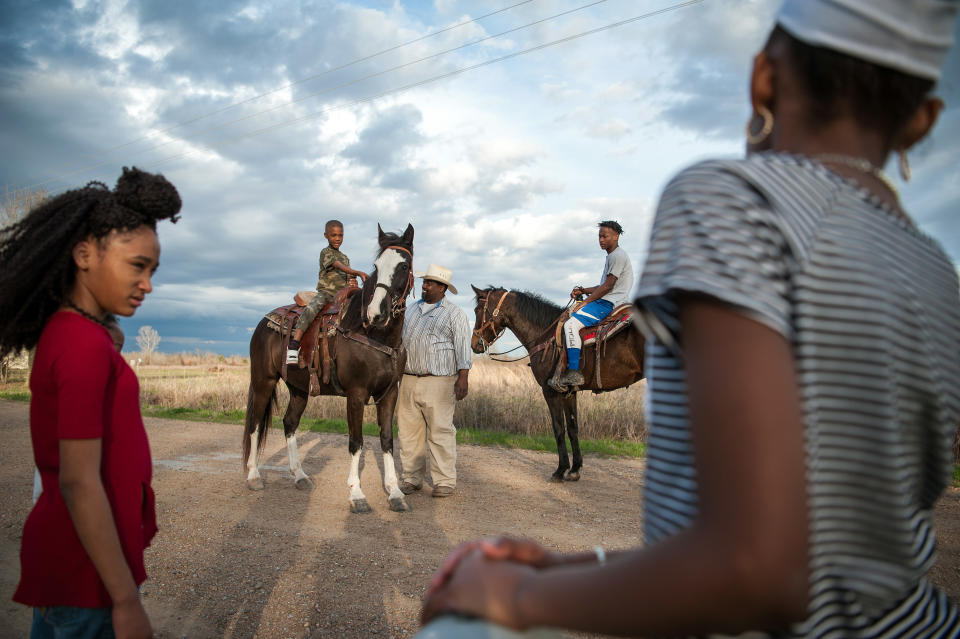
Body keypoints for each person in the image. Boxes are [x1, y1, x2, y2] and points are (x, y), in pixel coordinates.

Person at [420, 1, 960, 637]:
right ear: (923, 121)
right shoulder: (936, 271)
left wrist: (518, 596)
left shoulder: (729, 198)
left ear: (762, 77)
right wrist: (569, 566)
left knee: (455, 629)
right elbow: (817, 545)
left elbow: (761, 570)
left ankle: (567, 373)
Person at [0, 167, 181, 638]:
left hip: (84, 568)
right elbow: (79, 482)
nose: (147, 284)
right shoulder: (79, 343)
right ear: (84, 253)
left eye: (152, 270)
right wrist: (124, 601)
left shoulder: (80, 335)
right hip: (87, 580)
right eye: (137, 265)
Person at [397, 264, 473, 499]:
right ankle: (411, 478)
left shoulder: (454, 314)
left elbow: (463, 348)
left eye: (430, 283)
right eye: (424, 282)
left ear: (442, 288)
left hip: (439, 381)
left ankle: (444, 481)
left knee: (440, 431)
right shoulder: (410, 310)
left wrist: (463, 378)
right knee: (408, 432)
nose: (425, 285)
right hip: (408, 379)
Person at [551, 220, 633, 391]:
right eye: (599, 236)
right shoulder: (612, 256)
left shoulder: (618, 256)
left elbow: (608, 286)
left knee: (571, 324)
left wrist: (586, 302)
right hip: (607, 299)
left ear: (616, 237)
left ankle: (574, 371)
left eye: (605, 236)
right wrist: (583, 290)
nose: (601, 240)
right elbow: (602, 285)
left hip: (609, 303)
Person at [286, 219, 369, 365]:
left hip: (343, 294)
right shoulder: (326, 253)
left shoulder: (345, 257)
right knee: (312, 308)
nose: (337, 239)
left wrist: (352, 282)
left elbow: (347, 275)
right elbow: (338, 266)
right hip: (327, 293)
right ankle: (294, 343)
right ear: (326, 236)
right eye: (333, 235)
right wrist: (357, 272)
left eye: (340, 235)